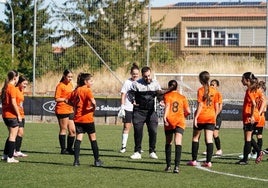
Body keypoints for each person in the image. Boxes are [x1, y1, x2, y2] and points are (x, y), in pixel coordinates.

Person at [69, 73, 103, 167]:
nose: (92, 82)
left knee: (78, 139)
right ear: (85, 81)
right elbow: (93, 102)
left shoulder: (76, 90)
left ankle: (76, 161)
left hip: (78, 119)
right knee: (93, 139)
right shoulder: (87, 90)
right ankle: (97, 160)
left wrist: (75, 106)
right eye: (91, 81)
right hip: (87, 119)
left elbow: (68, 100)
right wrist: (92, 107)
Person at [129, 66, 162, 160]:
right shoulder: (136, 84)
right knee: (138, 132)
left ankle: (152, 151)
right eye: (145, 76)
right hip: (139, 111)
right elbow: (130, 93)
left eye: (149, 76)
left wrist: (161, 101)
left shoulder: (155, 84)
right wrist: (133, 100)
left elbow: (159, 95)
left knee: (153, 131)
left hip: (151, 112)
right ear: (142, 76)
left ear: (150, 74)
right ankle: (137, 152)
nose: (148, 78)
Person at [187, 71, 219, 168]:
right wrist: (215, 116)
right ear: (208, 79)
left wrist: (195, 117)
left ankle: (194, 160)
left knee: (195, 138)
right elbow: (217, 107)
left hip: (201, 117)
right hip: (211, 117)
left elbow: (200, 105)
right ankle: (208, 162)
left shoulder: (200, 90)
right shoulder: (215, 91)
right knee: (209, 139)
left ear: (200, 80)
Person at [236, 72, 265, 165]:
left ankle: (245, 159)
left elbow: (253, 103)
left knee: (248, 138)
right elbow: (263, 99)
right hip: (255, 116)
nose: (241, 80)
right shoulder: (257, 90)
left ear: (248, 80)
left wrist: (252, 115)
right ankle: (257, 152)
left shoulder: (249, 91)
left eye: (243, 79)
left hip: (250, 116)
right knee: (248, 137)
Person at [163, 80, 191, 173]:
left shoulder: (167, 95)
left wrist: (164, 117)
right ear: (177, 87)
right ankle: (177, 167)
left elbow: (167, 106)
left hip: (170, 120)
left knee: (168, 142)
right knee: (178, 142)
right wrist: (184, 115)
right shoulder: (182, 97)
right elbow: (189, 111)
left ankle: (168, 166)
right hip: (180, 121)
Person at [118, 63, 139, 153]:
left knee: (138, 128)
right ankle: (123, 146)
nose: (135, 75)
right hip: (128, 108)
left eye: (137, 74)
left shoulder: (141, 82)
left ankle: (138, 147)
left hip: (138, 109)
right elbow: (123, 94)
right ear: (131, 73)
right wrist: (122, 106)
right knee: (127, 126)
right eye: (134, 73)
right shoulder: (127, 82)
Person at [54, 69, 76, 154]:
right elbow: (56, 98)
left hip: (70, 109)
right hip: (62, 109)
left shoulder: (70, 84)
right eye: (68, 77)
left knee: (73, 131)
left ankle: (69, 149)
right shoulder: (60, 85)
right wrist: (65, 99)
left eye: (71, 77)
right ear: (64, 76)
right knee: (64, 129)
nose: (70, 78)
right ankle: (63, 149)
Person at [1, 70, 20, 163]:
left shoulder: (5, 87)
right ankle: (10, 157)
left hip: (5, 114)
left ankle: (5, 155)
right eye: (18, 77)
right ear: (15, 77)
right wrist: (19, 115)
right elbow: (13, 103)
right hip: (11, 115)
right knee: (13, 136)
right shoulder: (11, 88)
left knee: (10, 135)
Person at [202, 79, 223, 156]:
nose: (212, 85)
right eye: (211, 84)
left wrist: (215, 115)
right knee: (207, 133)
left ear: (217, 86)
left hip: (216, 116)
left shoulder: (218, 94)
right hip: (209, 115)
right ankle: (208, 149)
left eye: (213, 84)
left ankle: (219, 149)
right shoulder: (208, 93)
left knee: (215, 133)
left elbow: (220, 107)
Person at [13, 75, 28, 157]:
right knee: (15, 133)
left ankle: (17, 150)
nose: (25, 86)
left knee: (20, 133)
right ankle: (12, 151)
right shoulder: (14, 90)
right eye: (24, 83)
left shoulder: (21, 90)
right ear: (19, 82)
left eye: (26, 84)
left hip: (21, 115)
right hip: (16, 114)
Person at [250, 81, 266, 159]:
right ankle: (254, 152)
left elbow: (264, 109)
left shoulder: (263, 98)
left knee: (253, 136)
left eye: (259, 88)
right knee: (254, 135)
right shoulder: (257, 96)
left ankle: (256, 152)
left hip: (259, 119)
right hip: (257, 117)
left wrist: (258, 114)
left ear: (262, 89)